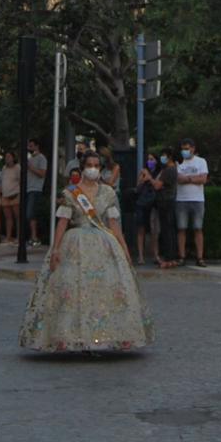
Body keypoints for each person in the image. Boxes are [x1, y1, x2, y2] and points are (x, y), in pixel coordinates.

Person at [19, 149, 152, 352]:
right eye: (89, 165)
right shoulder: (71, 193)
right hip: (76, 242)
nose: (93, 169)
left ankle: (105, 336)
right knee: (72, 290)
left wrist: (124, 248)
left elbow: (114, 224)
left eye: (96, 166)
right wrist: (55, 249)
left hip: (104, 243)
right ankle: (71, 336)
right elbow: (62, 223)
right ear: (82, 169)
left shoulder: (107, 193)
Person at [173, 138, 209, 266]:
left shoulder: (201, 161)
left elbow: (203, 179)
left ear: (193, 148)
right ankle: (181, 256)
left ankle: (200, 257)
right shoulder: (178, 164)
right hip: (181, 200)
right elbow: (178, 179)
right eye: (183, 149)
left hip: (197, 200)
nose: (185, 151)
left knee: (198, 228)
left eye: (187, 148)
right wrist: (194, 178)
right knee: (181, 228)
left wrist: (187, 178)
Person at [133, 153, 165, 266]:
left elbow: (158, 185)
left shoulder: (160, 172)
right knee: (141, 229)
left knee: (154, 231)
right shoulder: (143, 171)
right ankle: (141, 256)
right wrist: (142, 178)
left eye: (152, 159)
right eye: (148, 159)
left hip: (154, 204)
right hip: (142, 203)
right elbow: (137, 187)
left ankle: (155, 254)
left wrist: (150, 178)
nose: (149, 161)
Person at [24, 139, 50, 249]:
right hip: (28, 189)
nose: (29, 148)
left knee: (31, 213)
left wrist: (30, 167)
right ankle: (31, 236)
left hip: (36, 189)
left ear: (36, 146)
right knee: (28, 214)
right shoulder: (30, 159)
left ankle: (35, 237)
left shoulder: (41, 158)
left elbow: (42, 173)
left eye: (31, 146)